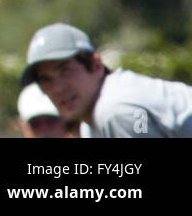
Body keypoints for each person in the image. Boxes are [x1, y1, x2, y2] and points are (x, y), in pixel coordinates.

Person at [22, 23, 192, 138]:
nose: (57, 88)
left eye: (65, 71)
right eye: (46, 80)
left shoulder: (115, 109)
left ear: (96, 65)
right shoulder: (92, 123)